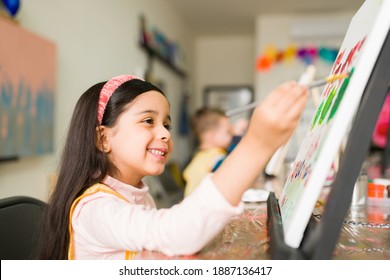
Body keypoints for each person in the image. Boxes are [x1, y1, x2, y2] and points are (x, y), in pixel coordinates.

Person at [38, 74, 308, 260]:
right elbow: (177, 233)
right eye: (148, 121)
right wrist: (257, 144)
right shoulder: (95, 209)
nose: (165, 134)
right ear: (103, 138)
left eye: (166, 124)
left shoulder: (134, 193)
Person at [183, 107, 233, 197]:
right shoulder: (215, 156)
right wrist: (238, 138)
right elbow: (232, 168)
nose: (232, 136)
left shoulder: (199, 155)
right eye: (228, 132)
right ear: (211, 136)